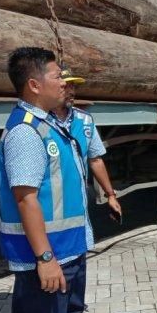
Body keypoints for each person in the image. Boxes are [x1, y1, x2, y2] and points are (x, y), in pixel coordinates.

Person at [0, 47, 90, 313]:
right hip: (49, 257)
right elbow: (26, 200)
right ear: (34, 85)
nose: (64, 82)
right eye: (57, 76)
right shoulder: (26, 132)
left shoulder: (47, 124)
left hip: (67, 249)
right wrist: (45, 258)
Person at [53, 67, 122, 223]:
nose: (72, 91)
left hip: (78, 201)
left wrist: (111, 195)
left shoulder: (85, 120)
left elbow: (95, 159)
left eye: (74, 86)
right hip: (50, 202)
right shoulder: (41, 121)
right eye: (66, 86)